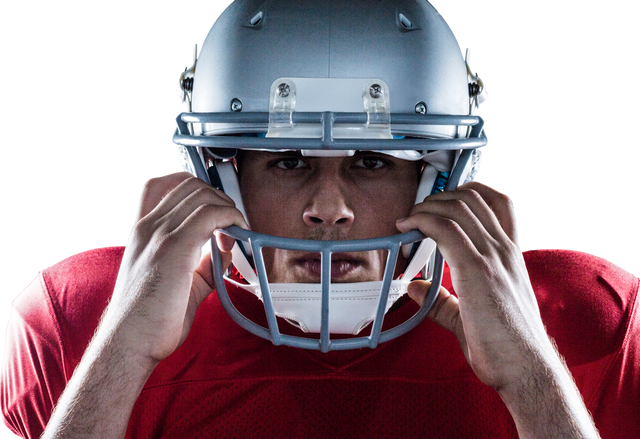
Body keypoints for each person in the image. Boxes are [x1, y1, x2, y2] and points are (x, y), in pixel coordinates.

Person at [2, 0, 638, 438]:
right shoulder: (78, 315)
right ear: (219, 174)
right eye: (286, 160)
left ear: (440, 175)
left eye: (370, 161)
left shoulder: (587, 317)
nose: (329, 210)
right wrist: (122, 355)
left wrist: (532, 376)